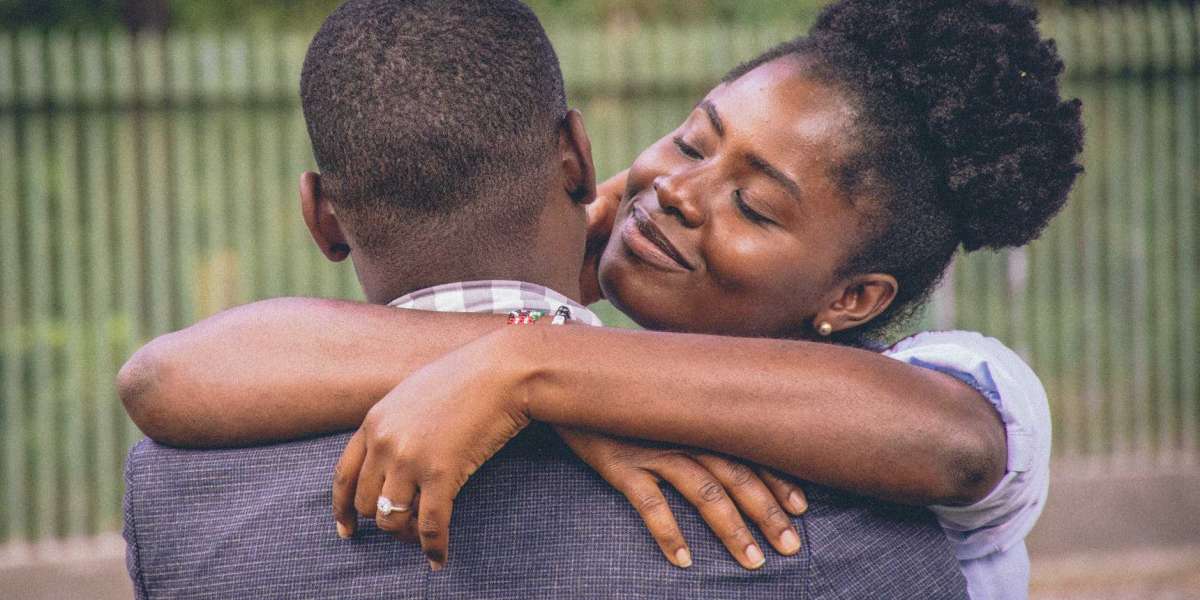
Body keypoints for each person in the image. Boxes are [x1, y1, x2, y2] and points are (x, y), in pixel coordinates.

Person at [122, 0, 1084, 598]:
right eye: (694, 141)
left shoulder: (956, 379)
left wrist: (530, 366)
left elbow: (955, 448)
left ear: (854, 297)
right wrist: (536, 342)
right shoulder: (583, 355)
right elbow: (167, 374)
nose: (677, 191)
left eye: (752, 204)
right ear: (582, 158)